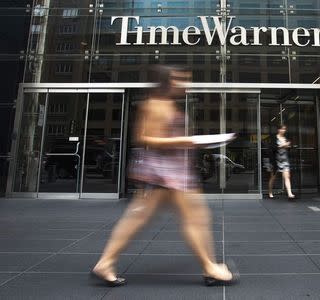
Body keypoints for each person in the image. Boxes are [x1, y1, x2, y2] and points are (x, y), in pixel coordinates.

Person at [90, 66, 238, 287]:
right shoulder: (155, 105)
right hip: (163, 173)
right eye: (180, 79)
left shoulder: (167, 104)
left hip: (173, 172)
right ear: (166, 81)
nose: (185, 83)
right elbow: (144, 138)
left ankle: (106, 262)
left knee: (170, 218)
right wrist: (187, 141)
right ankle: (209, 268)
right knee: (189, 219)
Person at [267, 124, 295, 200]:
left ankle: (290, 194)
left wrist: (288, 146)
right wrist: (281, 146)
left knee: (287, 177)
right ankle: (270, 192)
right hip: (276, 161)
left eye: (284, 129)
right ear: (278, 130)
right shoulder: (274, 138)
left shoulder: (286, 138)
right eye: (282, 129)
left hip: (285, 160)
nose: (283, 130)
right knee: (273, 178)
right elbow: (272, 148)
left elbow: (289, 147)